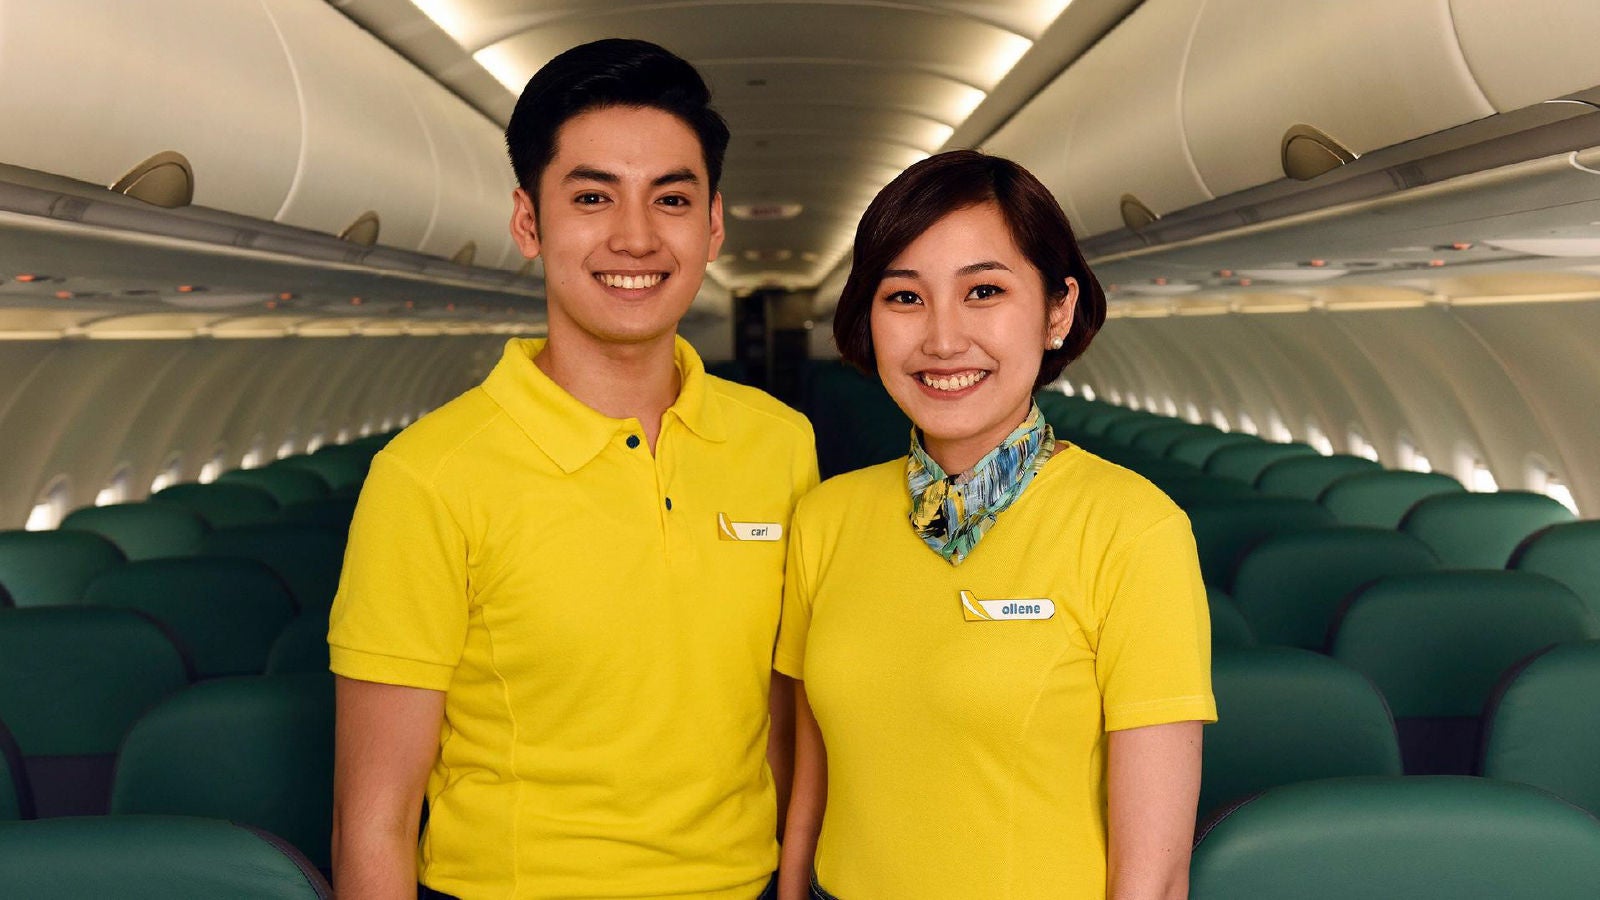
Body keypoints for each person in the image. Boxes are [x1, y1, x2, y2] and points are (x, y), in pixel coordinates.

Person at [328, 39, 818, 900]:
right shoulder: (428, 475)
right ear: (529, 222)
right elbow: (374, 819)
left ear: (712, 226)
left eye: (671, 198)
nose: (635, 237)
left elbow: (783, 722)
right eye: (592, 197)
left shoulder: (778, 445)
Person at [774, 150, 1215, 900]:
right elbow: (812, 787)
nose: (943, 340)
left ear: (1057, 310)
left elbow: (1154, 876)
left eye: (983, 291)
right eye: (904, 298)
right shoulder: (825, 519)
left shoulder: (1135, 531)